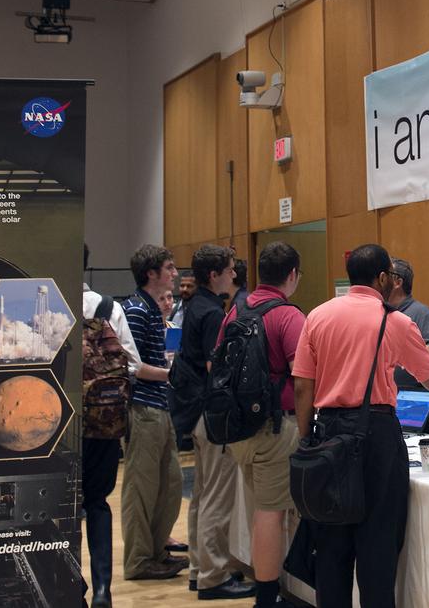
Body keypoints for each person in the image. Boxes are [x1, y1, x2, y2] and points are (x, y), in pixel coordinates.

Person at [292, 244, 429, 608]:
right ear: (381, 278)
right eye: (390, 273)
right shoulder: (395, 321)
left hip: (327, 433)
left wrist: (306, 437)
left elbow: (301, 386)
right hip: (377, 436)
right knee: (378, 542)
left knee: (330, 544)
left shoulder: (318, 315)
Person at [220, 241, 307, 608]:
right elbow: (304, 379)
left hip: (237, 427)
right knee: (272, 513)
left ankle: (276, 587)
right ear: (292, 275)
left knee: (263, 510)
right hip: (275, 428)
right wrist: (307, 429)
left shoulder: (236, 310)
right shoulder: (288, 316)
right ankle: (268, 598)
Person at [172, 245, 255, 600]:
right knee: (217, 499)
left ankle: (198, 568)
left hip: (195, 413)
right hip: (212, 415)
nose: (233, 274)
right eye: (229, 268)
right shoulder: (210, 314)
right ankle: (213, 576)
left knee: (204, 496)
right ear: (214, 274)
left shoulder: (198, 307)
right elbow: (214, 369)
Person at [119, 245, 188, 581]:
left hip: (158, 406)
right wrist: (171, 374)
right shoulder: (135, 310)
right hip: (144, 407)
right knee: (142, 488)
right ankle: (138, 560)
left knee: (169, 484)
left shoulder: (148, 309)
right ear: (151, 273)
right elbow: (131, 365)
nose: (175, 274)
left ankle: (156, 551)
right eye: (170, 268)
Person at [82, 245, 144, 608]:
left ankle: (71, 584)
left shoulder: (43, 300)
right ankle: (104, 589)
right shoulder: (109, 308)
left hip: (57, 424)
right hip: (104, 423)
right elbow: (131, 365)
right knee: (98, 502)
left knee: (63, 506)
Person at [386, 257, 429, 393]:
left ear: (397, 282)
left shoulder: (422, 313)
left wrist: (402, 356)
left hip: (415, 398)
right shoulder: (381, 313)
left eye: (386, 276)